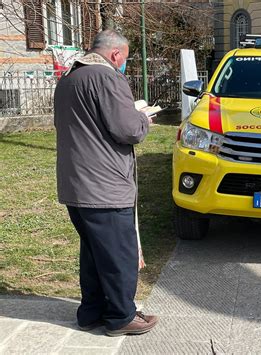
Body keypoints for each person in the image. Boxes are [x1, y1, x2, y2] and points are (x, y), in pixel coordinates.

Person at [54, 29, 158, 337]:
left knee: (93, 253)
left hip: (76, 183)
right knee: (118, 255)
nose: (123, 64)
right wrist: (143, 119)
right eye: (124, 59)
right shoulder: (108, 78)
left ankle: (91, 312)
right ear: (116, 55)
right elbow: (128, 130)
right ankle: (121, 316)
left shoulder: (69, 78)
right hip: (105, 186)